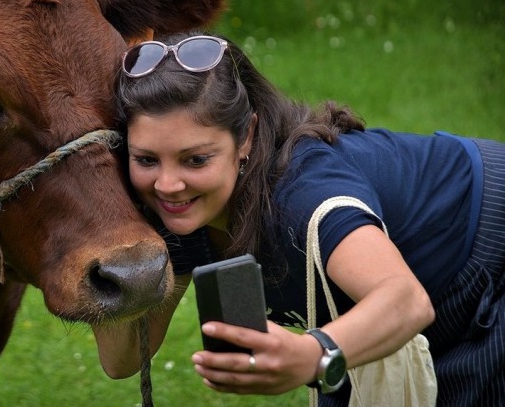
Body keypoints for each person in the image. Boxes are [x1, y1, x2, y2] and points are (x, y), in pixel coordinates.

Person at [91, 31, 505, 407]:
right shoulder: (178, 211)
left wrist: (313, 353)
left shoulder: (301, 194)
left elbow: (405, 300)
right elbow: (122, 358)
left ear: (246, 137)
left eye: (195, 159)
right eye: (146, 159)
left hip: (488, 254)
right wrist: (104, 227)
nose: (167, 184)